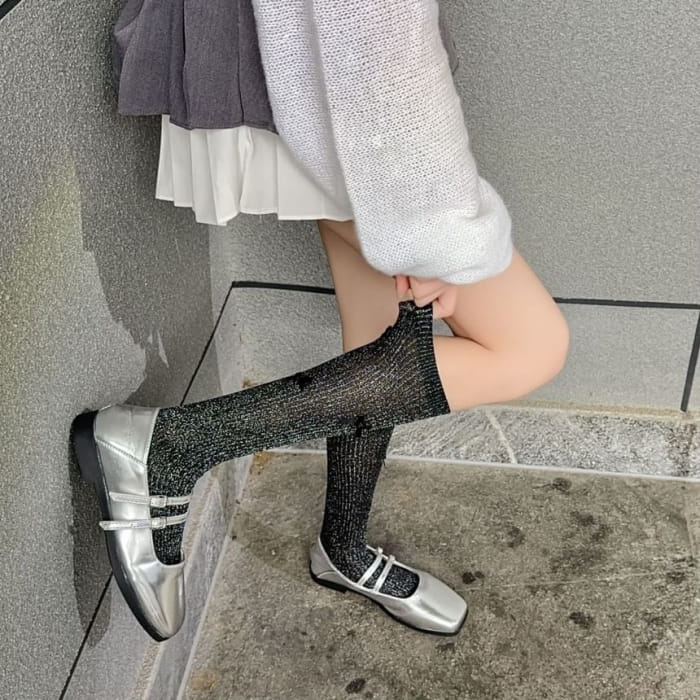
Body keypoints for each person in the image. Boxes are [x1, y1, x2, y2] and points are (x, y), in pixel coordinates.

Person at [77, 0, 570, 641]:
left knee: (376, 342)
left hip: (299, 65)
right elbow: (370, 20)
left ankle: (343, 548)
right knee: (530, 347)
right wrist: (437, 228)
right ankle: (173, 446)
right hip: (332, 77)